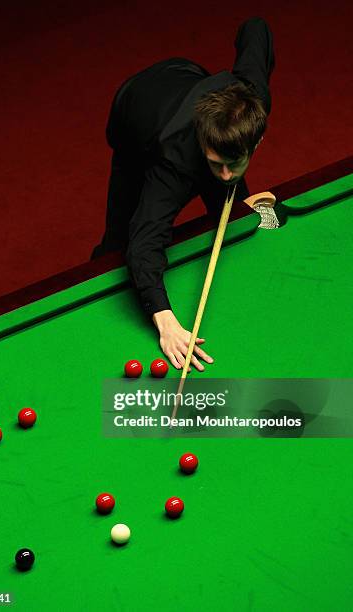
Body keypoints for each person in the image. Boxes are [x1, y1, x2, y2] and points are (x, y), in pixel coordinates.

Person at [92, 17, 275, 371]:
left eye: (233, 163)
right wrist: (166, 320)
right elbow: (144, 244)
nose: (225, 174)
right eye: (215, 163)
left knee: (230, 206)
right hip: (135, 119)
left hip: (187, 77)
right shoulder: (172, 166)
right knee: (120, 238)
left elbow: (255, 28)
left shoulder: (253, 98)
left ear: (258, 140)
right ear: (203, 147)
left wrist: (227, 176)